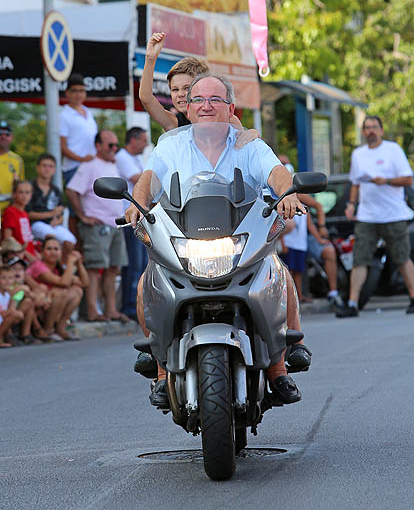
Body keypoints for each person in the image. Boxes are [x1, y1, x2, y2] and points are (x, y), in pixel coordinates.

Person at [128, 73, 308, 408]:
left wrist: (287, 193)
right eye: (198, 100)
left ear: (230, 108)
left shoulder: (249, 144)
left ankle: (279, 367)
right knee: (146, 283)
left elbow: (276, 172)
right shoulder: (171, 145)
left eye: (215, 100)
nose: (206, 107)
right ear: (189, 108)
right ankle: (160, 368)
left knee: (277, 272)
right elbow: (147, 180)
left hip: (240, 244)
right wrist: (135, 204)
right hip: (187, 242)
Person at [342, 115, 414, 318]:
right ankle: (352, 303)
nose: (371, 131)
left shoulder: (392, 150)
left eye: (374, 127)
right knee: (359, 259)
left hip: (393, 214)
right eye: (367, 127)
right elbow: (355, 183)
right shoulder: (358, 154)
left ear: (381, 130)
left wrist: (385, 181)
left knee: (402, 257)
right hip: (367, 216)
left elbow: (408, 179)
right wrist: (351, 204)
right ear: (363, 132)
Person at [66, 130, 128, 322]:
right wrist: (83, 216)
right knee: (95, 268)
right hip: (97, 225)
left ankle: (110, 310)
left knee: (113, 268)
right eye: (110, 145)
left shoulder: (113, 165)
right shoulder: (89, 166)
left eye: (116, 145)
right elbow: (71, 190)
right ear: (98, 146)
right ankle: (93, 311)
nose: (114, 149)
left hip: (116, 223)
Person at [115, 127, 148, 321]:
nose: (145, 144)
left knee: (142, 264)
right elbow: (140, 179)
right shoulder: (123, 156)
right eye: (143, 140)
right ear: (133, 140)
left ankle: (138, 306)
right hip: (128, 218)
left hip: (138, 217)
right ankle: (129, 306)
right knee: (134, 265)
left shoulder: (134, 158)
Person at [26, 237, 88, 340]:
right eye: (49, 249)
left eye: (56, 249)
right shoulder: (38, 266)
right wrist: (70, 263)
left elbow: (84, 283)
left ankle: (61, 328)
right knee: (60, 292)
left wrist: (79, 263)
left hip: (50, 305)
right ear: (42, 252)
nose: (53, 252)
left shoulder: (57, 268)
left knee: (77, 291)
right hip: (37, 304)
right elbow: (64, 283)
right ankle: (48, 329)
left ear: (61, 252)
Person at [26, 153, 76, 258]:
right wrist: (50, 214)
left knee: (70, 241)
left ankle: (61, 266)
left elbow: (61, 213)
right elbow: (28, 213)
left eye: (50, 166)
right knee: (53, 239)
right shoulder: (30, 187)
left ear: (54, 170)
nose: (47, 169)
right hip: (35, 224)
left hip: (53, 225)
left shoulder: (56, 190)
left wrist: (57, 221)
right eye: (44, 165)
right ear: (37, 167)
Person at [60, 74, 98, 185]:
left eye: (82, 91)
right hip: (74, 168)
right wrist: (81, 159)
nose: (79, 94)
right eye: (75, 91)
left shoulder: (89, 113)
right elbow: (62, 146)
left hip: (91, 165)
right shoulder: (64, 115)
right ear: (67, 93)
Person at [2, 180, 39, 262]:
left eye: (27, 193)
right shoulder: (10, 212)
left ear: (31, 195)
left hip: (30, 255)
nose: (24, 196)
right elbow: (8, 239)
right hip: (19, 257)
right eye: (21, 192)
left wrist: (36, 254)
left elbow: (27, 239)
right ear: (14, 194)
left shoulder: (25, 213)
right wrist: (27, 255)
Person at [0, 120, 24, 215]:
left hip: (10, 211)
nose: (3, 136)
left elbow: (21, 187)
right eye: (0, 133)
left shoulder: (17, 160)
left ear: (12, 137)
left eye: (7, 134)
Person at [0, 265, 24, 348]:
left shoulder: (7, 294)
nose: (7, 281)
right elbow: (3, 313)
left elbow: (9, 309)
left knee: (17, 314)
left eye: (10, 278)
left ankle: (3, 336)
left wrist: (12, 297)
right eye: (3, 278)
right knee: (14, 314)